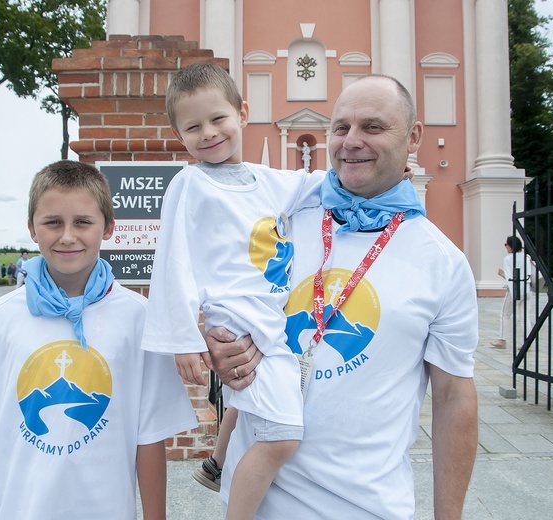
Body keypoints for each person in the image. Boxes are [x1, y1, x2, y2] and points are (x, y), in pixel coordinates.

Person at [205, 75, 479, 519]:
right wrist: (219, 340)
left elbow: (454, 398)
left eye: (373, 127)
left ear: (413, 137)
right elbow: (227, 299)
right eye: (340, 128)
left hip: (364, 506)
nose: (351, 142)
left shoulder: (442, 261)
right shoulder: (283, 221)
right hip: (253, 499)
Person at [0, 160, 197, 520]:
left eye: (82, 222)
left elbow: (150, 438)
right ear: (32, 228)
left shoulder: (139, 318)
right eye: (52, 222)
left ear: (108, 227)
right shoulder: (2, 317)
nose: (67, 236)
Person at [140, 62, 321, 520]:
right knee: (281, 434)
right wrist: (182, 337)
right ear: (180, 136)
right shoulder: (191, 184)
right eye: (193, 127)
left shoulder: (268, 179)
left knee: (259, 412)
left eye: (218, 118)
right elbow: (173, 259)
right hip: (237, 320)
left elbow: (318, 185)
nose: (208, 133)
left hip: (272, 319)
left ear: (243, 111)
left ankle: (218, 464)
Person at [491, 235, 530, 349]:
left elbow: (511, 277)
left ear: (510, 246)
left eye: (506, 245)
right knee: (525, 317)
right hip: (527, 289)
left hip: (515, 290)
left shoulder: (508, 259)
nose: (505, 247)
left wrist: (502, 274)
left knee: (505, 314)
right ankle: (527, 341)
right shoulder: (526, 257)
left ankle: (502, 339)